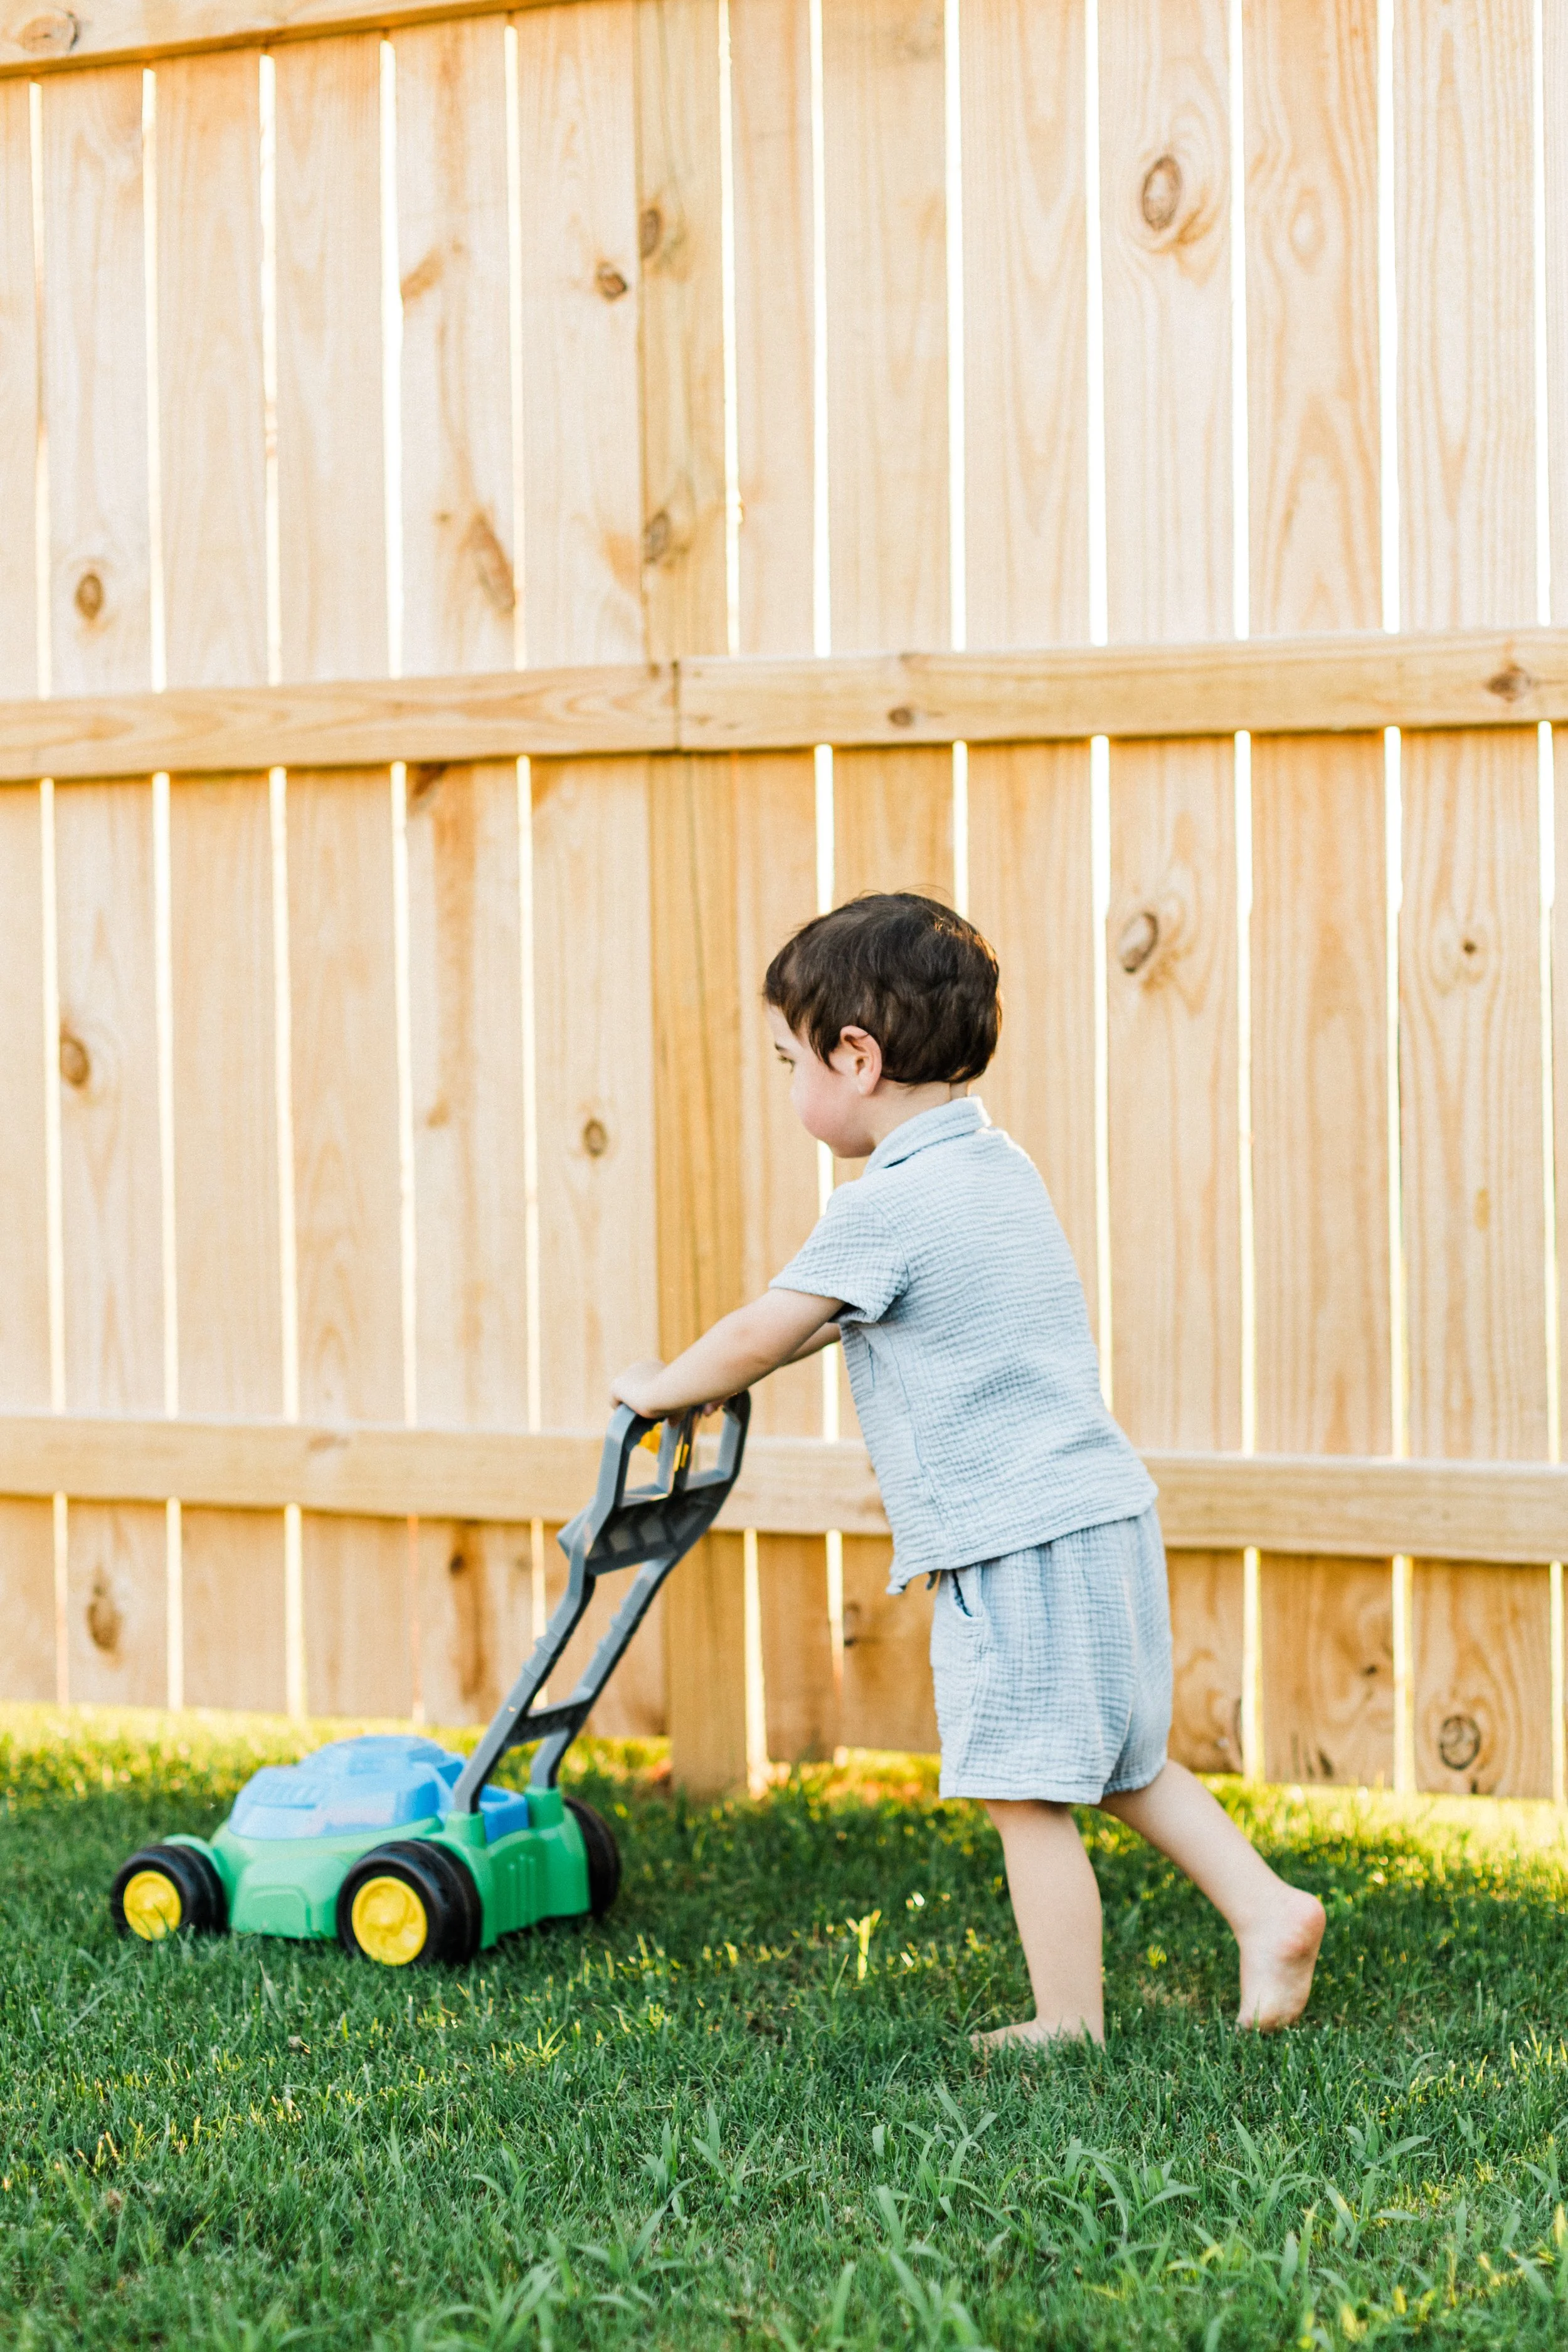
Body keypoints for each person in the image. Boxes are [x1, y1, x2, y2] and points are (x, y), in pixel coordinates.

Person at [612, 892, 1325, 2045]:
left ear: (857, 1056)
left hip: (1016, 1538)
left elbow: (765, 1325)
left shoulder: (888, 1202)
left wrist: (662, 1385)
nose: (790, 1081)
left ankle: (1067, 2020)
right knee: (1125, 1759)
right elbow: (840, 1324)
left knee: (1023, 1790)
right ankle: (1267, 1907)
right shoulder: (995, 1169)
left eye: (791, 1058)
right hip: (1101, 1512)